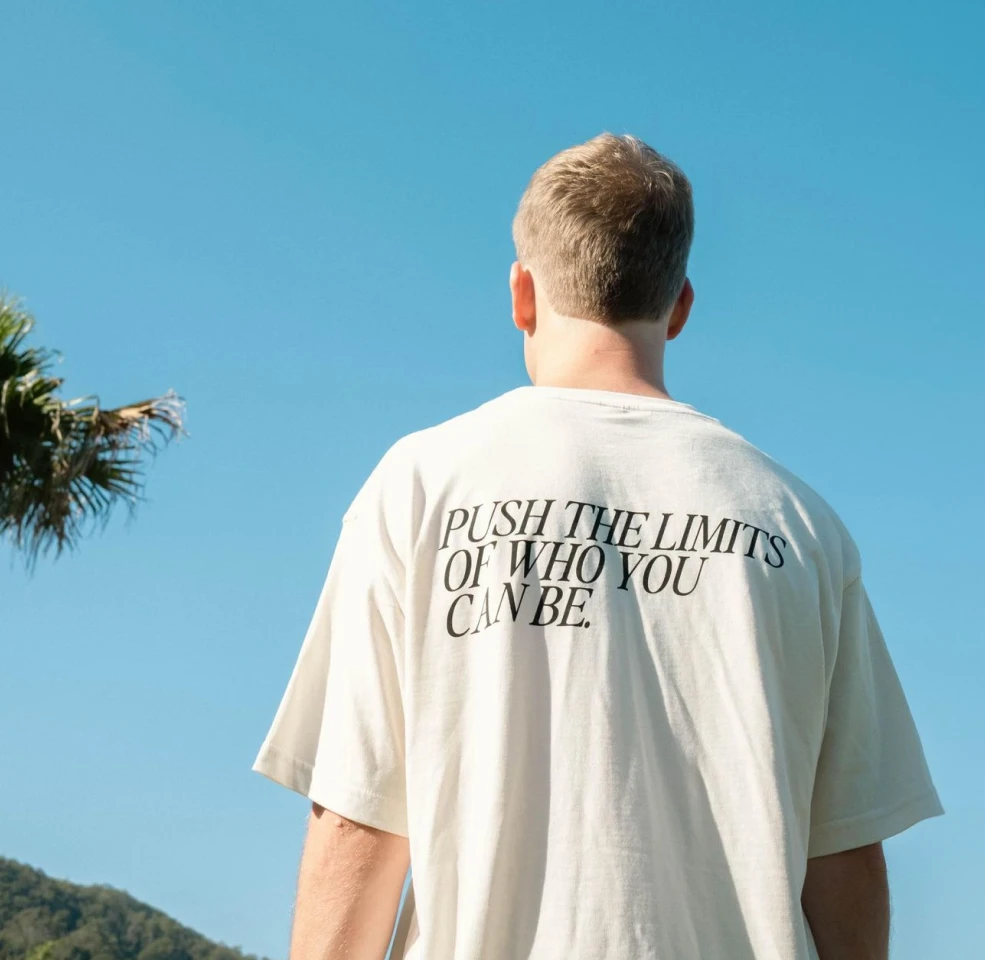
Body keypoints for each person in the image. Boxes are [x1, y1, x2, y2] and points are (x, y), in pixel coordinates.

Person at [253, 133, 942, 960]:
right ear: (681, 304)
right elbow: (846, 855)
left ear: (522, 293)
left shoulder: (420, 487)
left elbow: (356, 822)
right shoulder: (801, 527)